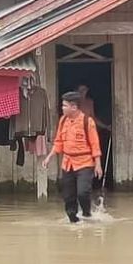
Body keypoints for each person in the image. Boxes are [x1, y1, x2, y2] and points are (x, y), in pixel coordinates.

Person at [42, 91, 103, 223]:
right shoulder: (63, 121)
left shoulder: (87, 121)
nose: (62, 108)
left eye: (64, 106)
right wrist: (49, 157)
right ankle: (74, 221)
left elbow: (95, 144)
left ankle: (87, 214)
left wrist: (98, 164)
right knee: (68, 197)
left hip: (85, 163)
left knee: (83, 193)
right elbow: (58, 142)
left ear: (74, 107)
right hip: (67, 163)